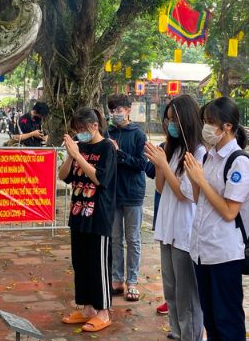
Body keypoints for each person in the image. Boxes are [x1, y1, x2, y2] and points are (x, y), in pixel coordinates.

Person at [184, 96, 249, 341]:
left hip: (225, 252)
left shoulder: (239, 162)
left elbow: (229, 211)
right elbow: (199, 199)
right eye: (204, 121)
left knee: (227, 321)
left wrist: (201, 181)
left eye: (209, 122)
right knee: (211, 319)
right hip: (202, 249)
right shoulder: (209, 156)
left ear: (227, 126)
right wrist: (193, 176)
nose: (205, 127)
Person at [145, 95, 205, 341]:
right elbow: (161, 188)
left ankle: (191, 335)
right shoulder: (173, 148)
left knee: (186, 293)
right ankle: (176, 331)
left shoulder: (199, 152)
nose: (169, 125)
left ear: (186, 121)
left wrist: (165, 165)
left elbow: (185, 194)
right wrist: (160, 163)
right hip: (167, 227)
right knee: (170, 288)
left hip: (185, 231)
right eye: (167, 119)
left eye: (173, 120)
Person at [58, 107, 117, 333]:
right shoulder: (78, 148)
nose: (80, 133)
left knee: (98, 265)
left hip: (98, 216)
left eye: (83, 129)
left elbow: (100, 178)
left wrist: (78, 156)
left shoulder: (107, 148)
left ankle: (104, 311)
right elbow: (64, 176)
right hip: (78, 215)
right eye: (76, 130)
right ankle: (87, 308)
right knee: (80, 263)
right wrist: (69, 155)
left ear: (95, 126)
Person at [106, 94, 148, 301]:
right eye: (112, 110)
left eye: (119, 109)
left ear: (129, 110)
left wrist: (119, 153)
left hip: (133, 193)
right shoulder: (108, 132)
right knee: (115, 238)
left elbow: (142, 164)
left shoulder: (138, 134)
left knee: (133, 239)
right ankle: (116, 279)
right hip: (113, 192)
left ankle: (132, 281)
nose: (116, 113)